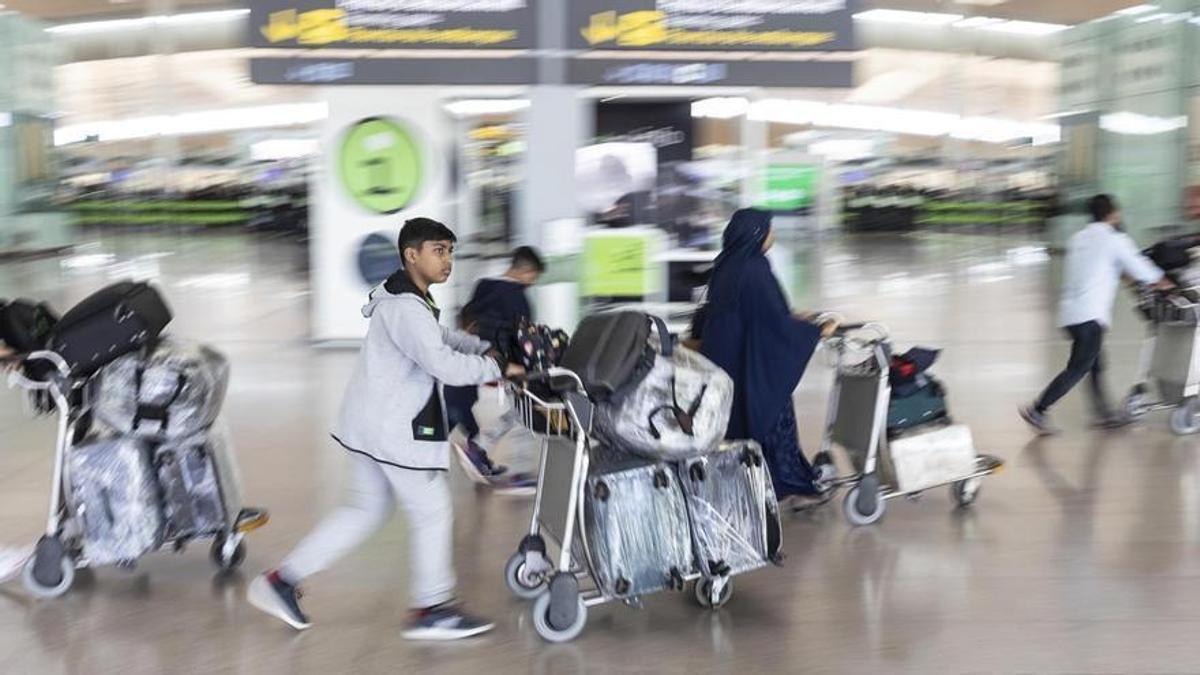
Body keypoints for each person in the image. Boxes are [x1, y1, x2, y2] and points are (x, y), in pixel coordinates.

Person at [248, 217, 522, 639]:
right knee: (432, 509)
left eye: (450, 250)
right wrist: (496, 365)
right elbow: (441, 363)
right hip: (393, 430)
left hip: (370, 425)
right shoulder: (405, 307)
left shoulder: (409, 298)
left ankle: (280, 582)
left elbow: (440, 338)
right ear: (412, 254)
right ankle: (432, 608)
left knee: (364, 511)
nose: (447, 259)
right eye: (438, 250)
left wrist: (480, 347)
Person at [698, 208, 838, 505]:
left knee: (736, 424)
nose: (773, 235)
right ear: (756, 234)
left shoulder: (726, 265)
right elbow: (773, 324)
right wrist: (817, 332)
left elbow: (752, 311)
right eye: (769, 229)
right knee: (771, 415)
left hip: (726, 360)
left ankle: (745, 482)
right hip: (752, 362)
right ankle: (781, 483)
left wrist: (795, 315)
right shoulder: (755, 268)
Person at [1021, 194, 1173, 434]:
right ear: (1113, 213)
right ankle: (1038, 409)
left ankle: (1103, 415)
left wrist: (1127, 277)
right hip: (1090, 316)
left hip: (1071, 314)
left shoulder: (1078, 238)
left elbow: (1104, 268)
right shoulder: (1114, 239)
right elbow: (1139, 267)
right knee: (1079, 367)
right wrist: (1165, 283)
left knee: (1096, 364)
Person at [445, 246, 544, 490]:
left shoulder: (483, 285)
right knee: (525, 411)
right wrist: (524, 366)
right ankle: (512, 469)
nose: (532, 282)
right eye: (533, 277)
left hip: (472, 354)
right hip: (502, 360)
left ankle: (475, 450)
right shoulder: (518, 297)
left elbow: (466, 318)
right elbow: (523, 338)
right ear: (526, 271)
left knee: (456, 405)